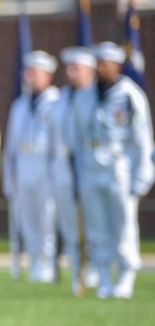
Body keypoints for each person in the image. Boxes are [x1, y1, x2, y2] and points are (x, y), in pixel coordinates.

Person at [70, 41, 154, 299]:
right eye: (98, 62)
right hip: (91, 165)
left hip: (120, 167)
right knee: (97, 225)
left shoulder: (130, 95)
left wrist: (143, 175)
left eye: (106, 63)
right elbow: (75, 134)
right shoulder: (84, 95)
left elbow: (141, 137)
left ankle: (126, 276)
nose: (101, 67)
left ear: (117, 65)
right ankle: (104, 278)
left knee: (123, 224)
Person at [2, 50, 60, 283]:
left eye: (35, 72)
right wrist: (9, 177)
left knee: (47, 221)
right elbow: (10, 146)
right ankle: (35, 262)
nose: (29, 77)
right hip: (24, 170)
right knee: (28, 221)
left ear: (48, 75)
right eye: (28, 72)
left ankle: (47, 264)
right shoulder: (20, 105)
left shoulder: (56, 103)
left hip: (46, 171)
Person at [50, 46, 97, 295]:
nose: (71, 73)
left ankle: (94, 271)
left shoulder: (95, 98)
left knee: (93, 224)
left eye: (76, 68)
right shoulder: (59, 99)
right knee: (70, 225)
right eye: (69, 68)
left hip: (89, 168)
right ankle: (77, 272)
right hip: (61, 168)